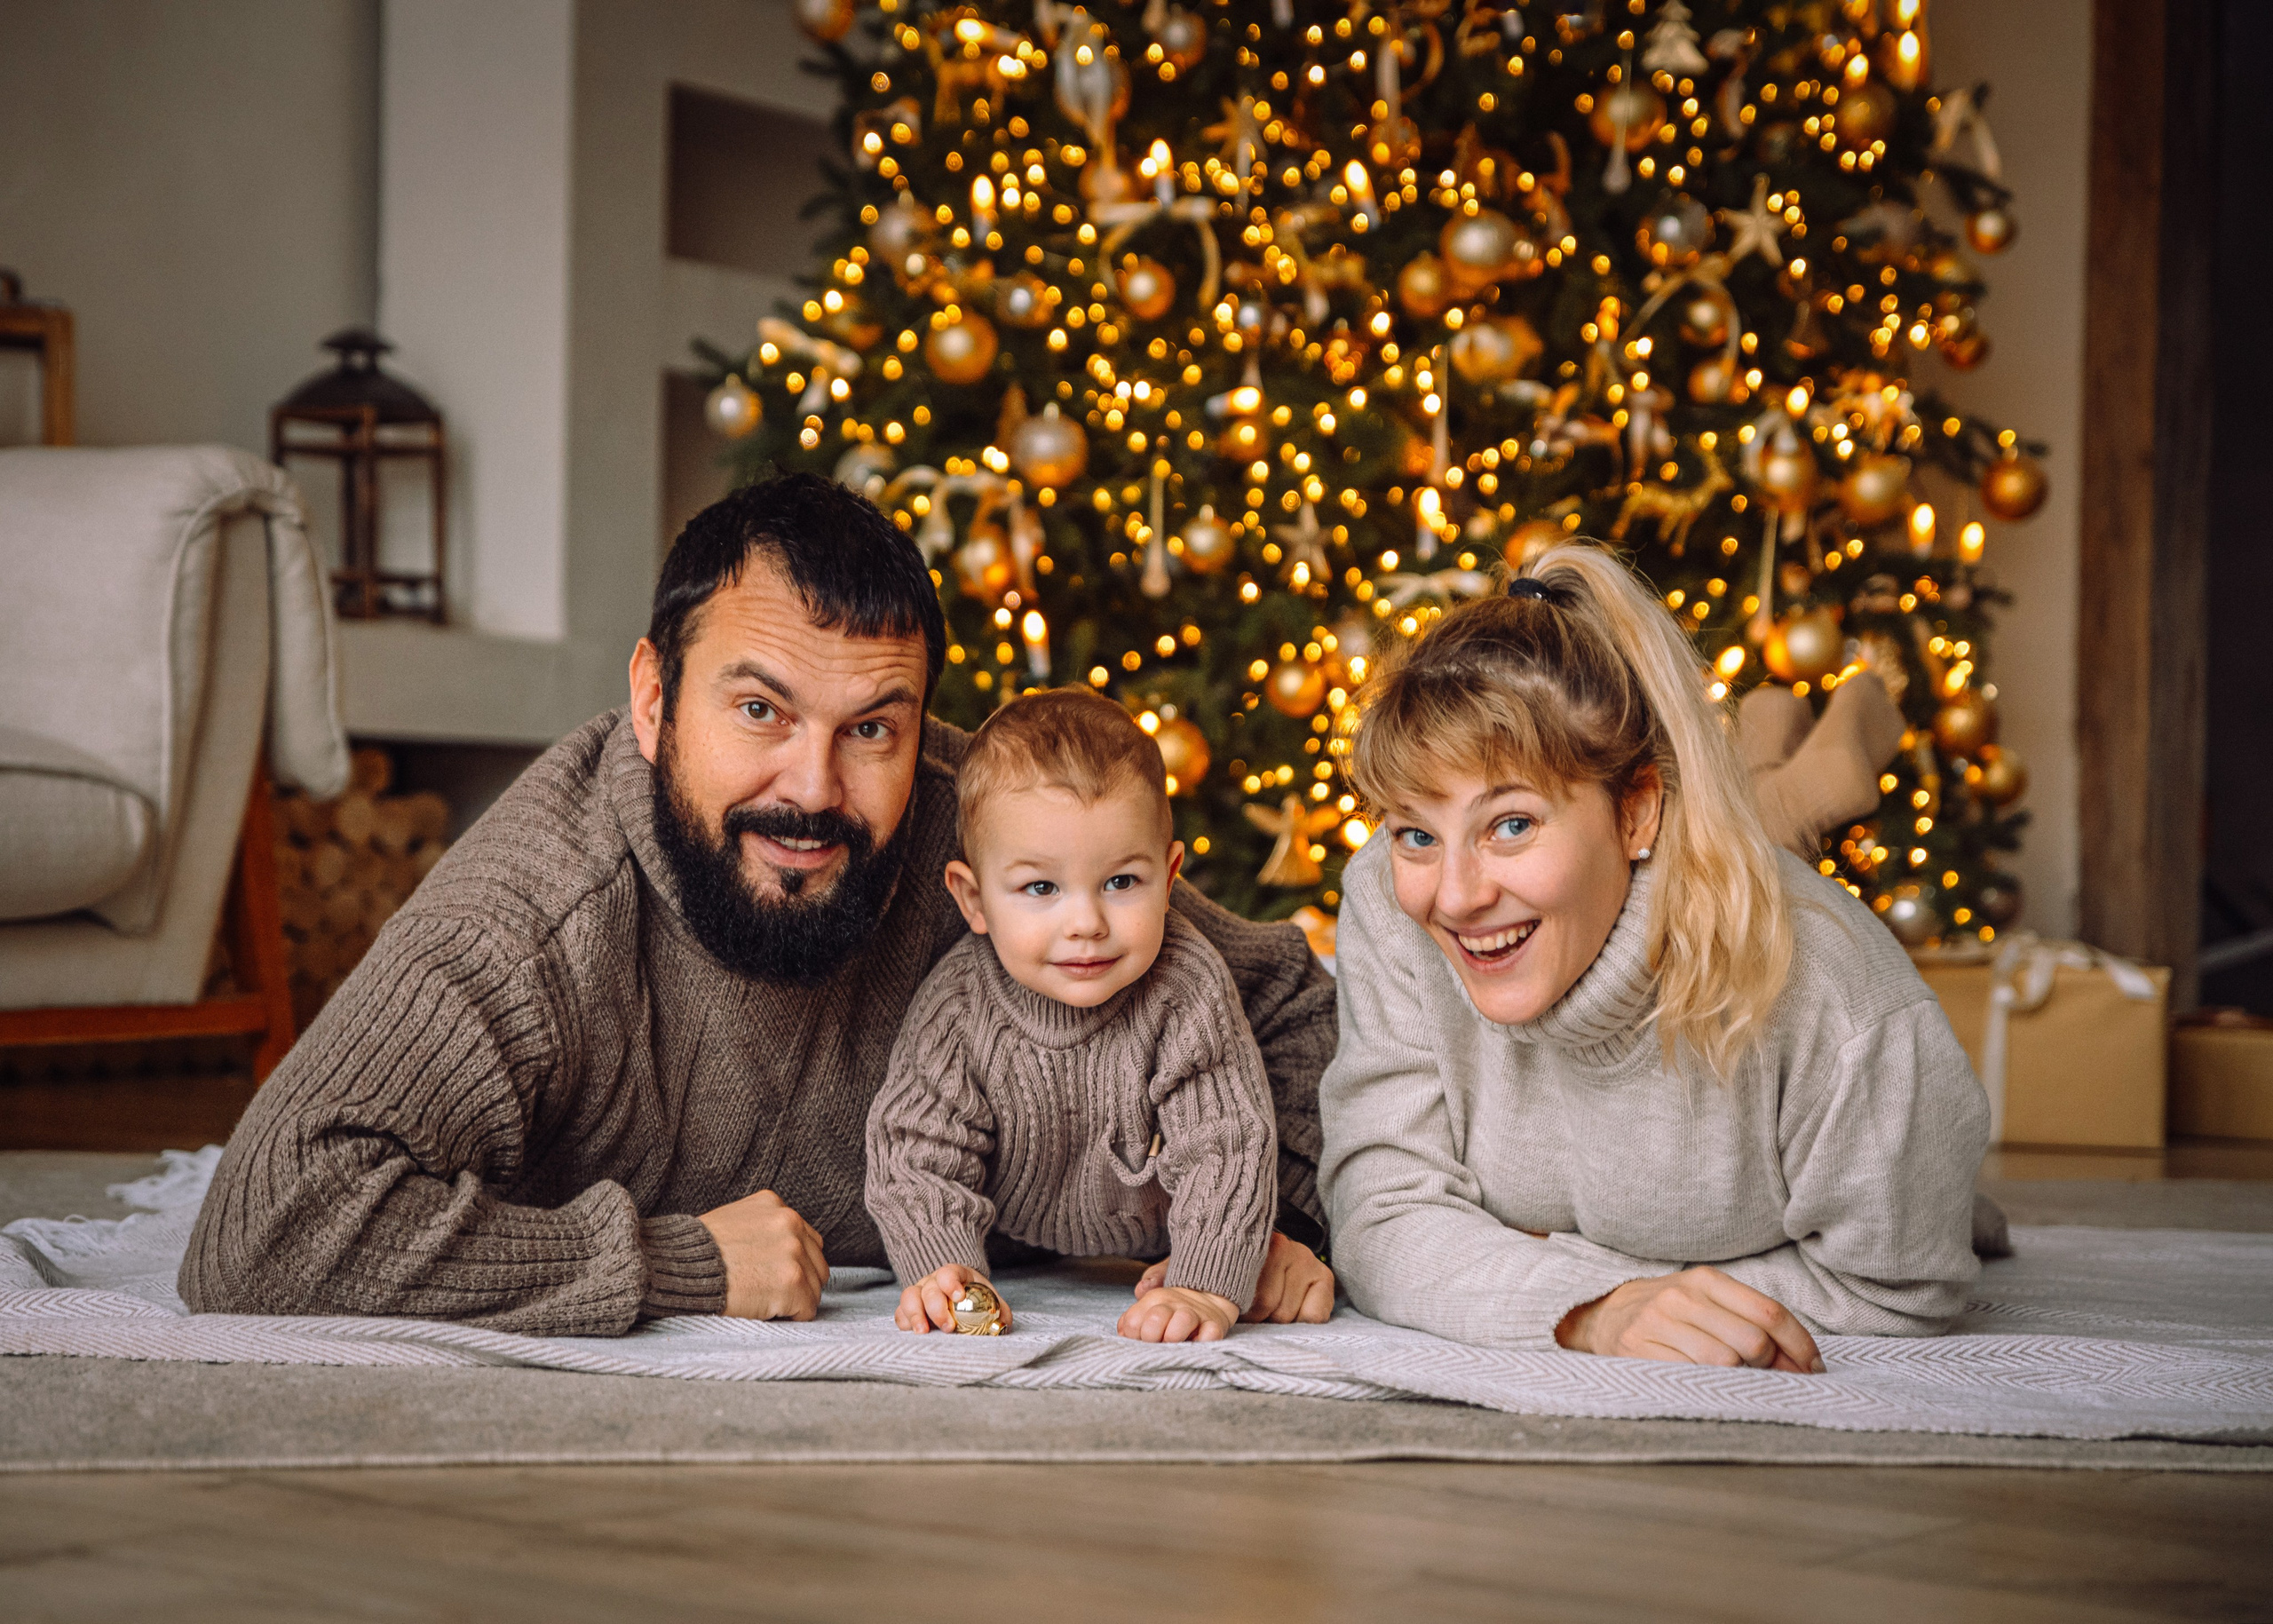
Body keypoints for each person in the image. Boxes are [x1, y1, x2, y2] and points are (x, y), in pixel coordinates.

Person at [180, 474, 1334, 1335]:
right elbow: (262, 1230)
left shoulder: (977, 835)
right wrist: (673, 1263)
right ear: (652, 700)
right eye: (760, 712)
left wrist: (1273, 1225)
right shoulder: (539, 914)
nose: (815, 788)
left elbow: (1291, 1007)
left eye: (873, 726)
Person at [1318, 544, 1996, 1373]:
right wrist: (1597, 1311)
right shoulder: (1391, 896)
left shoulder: (1842, 993)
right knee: (1737, 806)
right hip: (1658, 863)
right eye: (1418, 831)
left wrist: (1546, 1270)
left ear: (1638, 809)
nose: (1454, 896)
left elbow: (1900, 1283)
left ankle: (1819, 758)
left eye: (1512, 824)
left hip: (1720, 897)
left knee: (1758, 825)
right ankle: (1772, 745)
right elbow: (1379, 1214)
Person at [867, 689, 1337, 1344]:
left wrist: (1205, 1282)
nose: (1086, 922)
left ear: (1170, 877)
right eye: (1041, 888)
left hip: (1165, 1233)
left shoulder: (1186, 986)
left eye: (1121, 882)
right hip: (1013, 1233)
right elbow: (916, 1152)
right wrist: (946, 1272)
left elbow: (1225, 1141)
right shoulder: (958, 1008)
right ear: (974, 900)